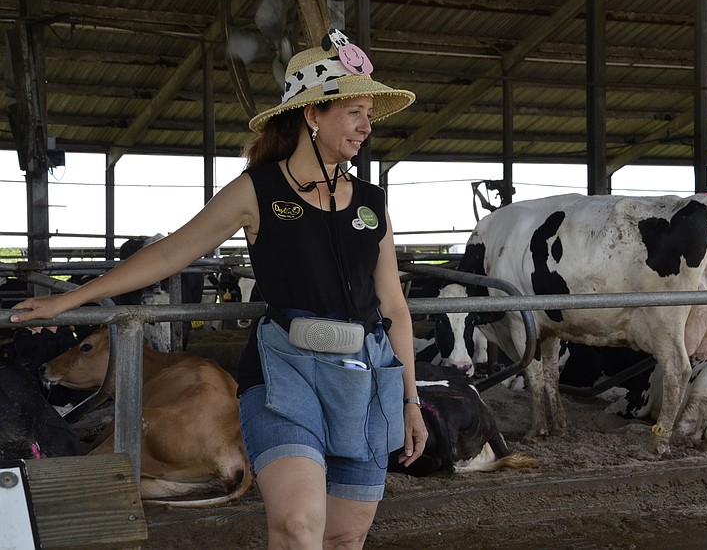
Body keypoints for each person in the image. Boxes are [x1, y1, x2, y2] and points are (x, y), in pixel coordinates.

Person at [11, 29, 428, 549]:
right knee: (299, 527)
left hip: (364, 377)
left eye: (369, 113)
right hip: (286, 374)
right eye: (355, 113)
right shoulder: (258, 189)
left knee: (346, 537)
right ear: (312, 115)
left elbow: (394, 307)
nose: (368, 127)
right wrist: (73, 298)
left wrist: (411, 399)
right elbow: (169, 253)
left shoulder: (372, 202)